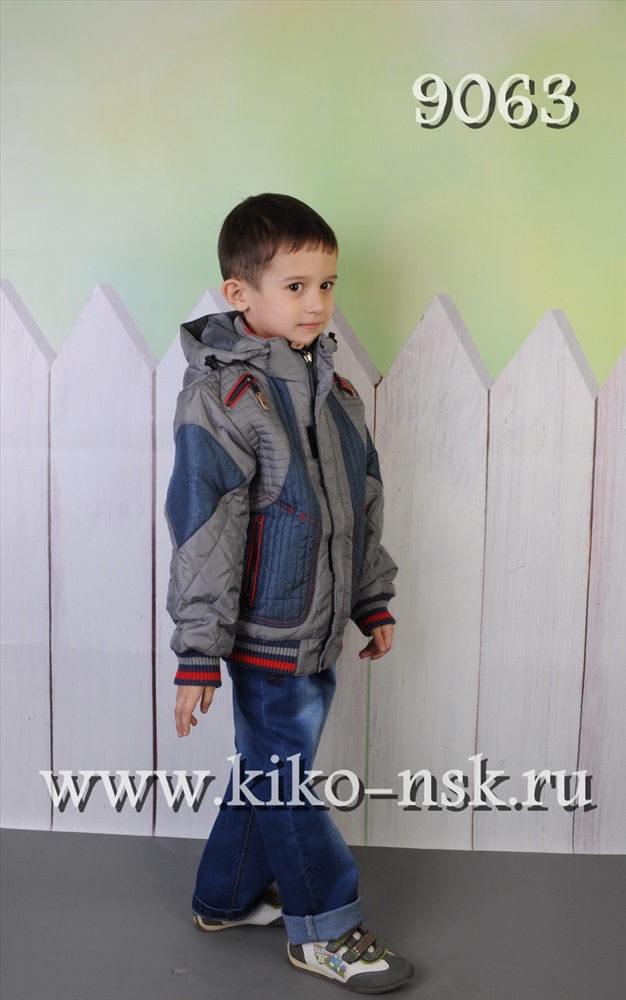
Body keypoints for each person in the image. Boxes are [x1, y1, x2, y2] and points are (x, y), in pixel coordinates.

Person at [165, 193, 414, 993]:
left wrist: (370, 598)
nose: (316, 302)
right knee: (286, 781)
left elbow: (359, 506)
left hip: (319, 629)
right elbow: (204, 532)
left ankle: (223, 898)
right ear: (240, 293)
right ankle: (325, 927)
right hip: (263, 636)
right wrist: (199, 653)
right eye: (296, 286)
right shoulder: (224, 398)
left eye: (327, 285)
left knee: (271, 770)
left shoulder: (334, 391)